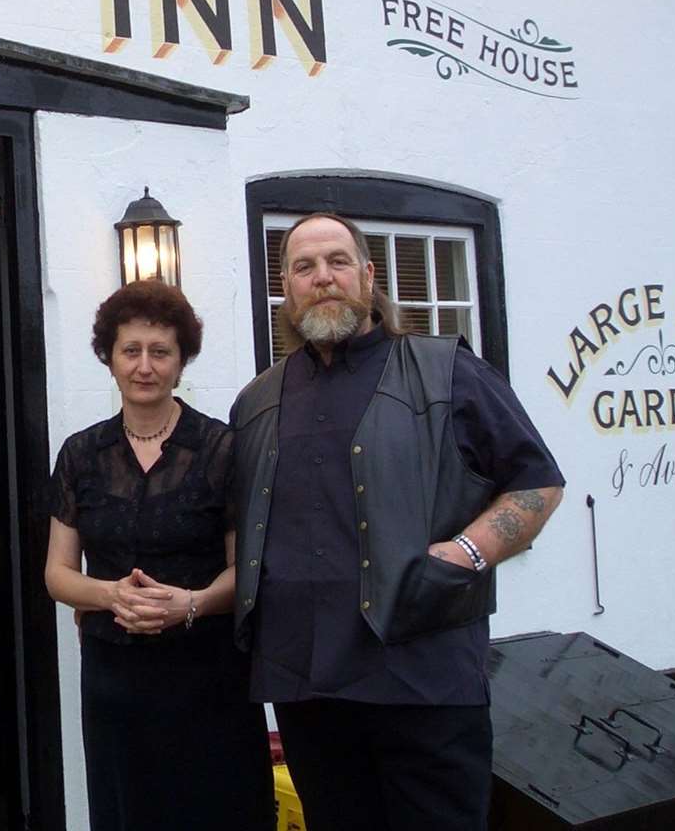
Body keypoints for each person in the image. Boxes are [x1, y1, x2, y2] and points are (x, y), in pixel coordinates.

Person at [228, 213, 565, 831]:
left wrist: (464, 552)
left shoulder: (447, 369)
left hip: (424, 679)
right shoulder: (256, 402)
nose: (322, 277)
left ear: (368, 274)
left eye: (337, 261)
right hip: (306, 687)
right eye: (304, 267)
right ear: (286, 287)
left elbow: (537, 483)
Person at [46, 280, 275, 831]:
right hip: (114, 680)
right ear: (109, 358)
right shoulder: (81, 453)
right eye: (130, 351)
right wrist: (110, 595)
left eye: (160, 352)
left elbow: (246, 571)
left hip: (207, 675)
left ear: (181, 360)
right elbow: (57, 574)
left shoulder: (223, 449)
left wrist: (188, 604)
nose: (144, 366)